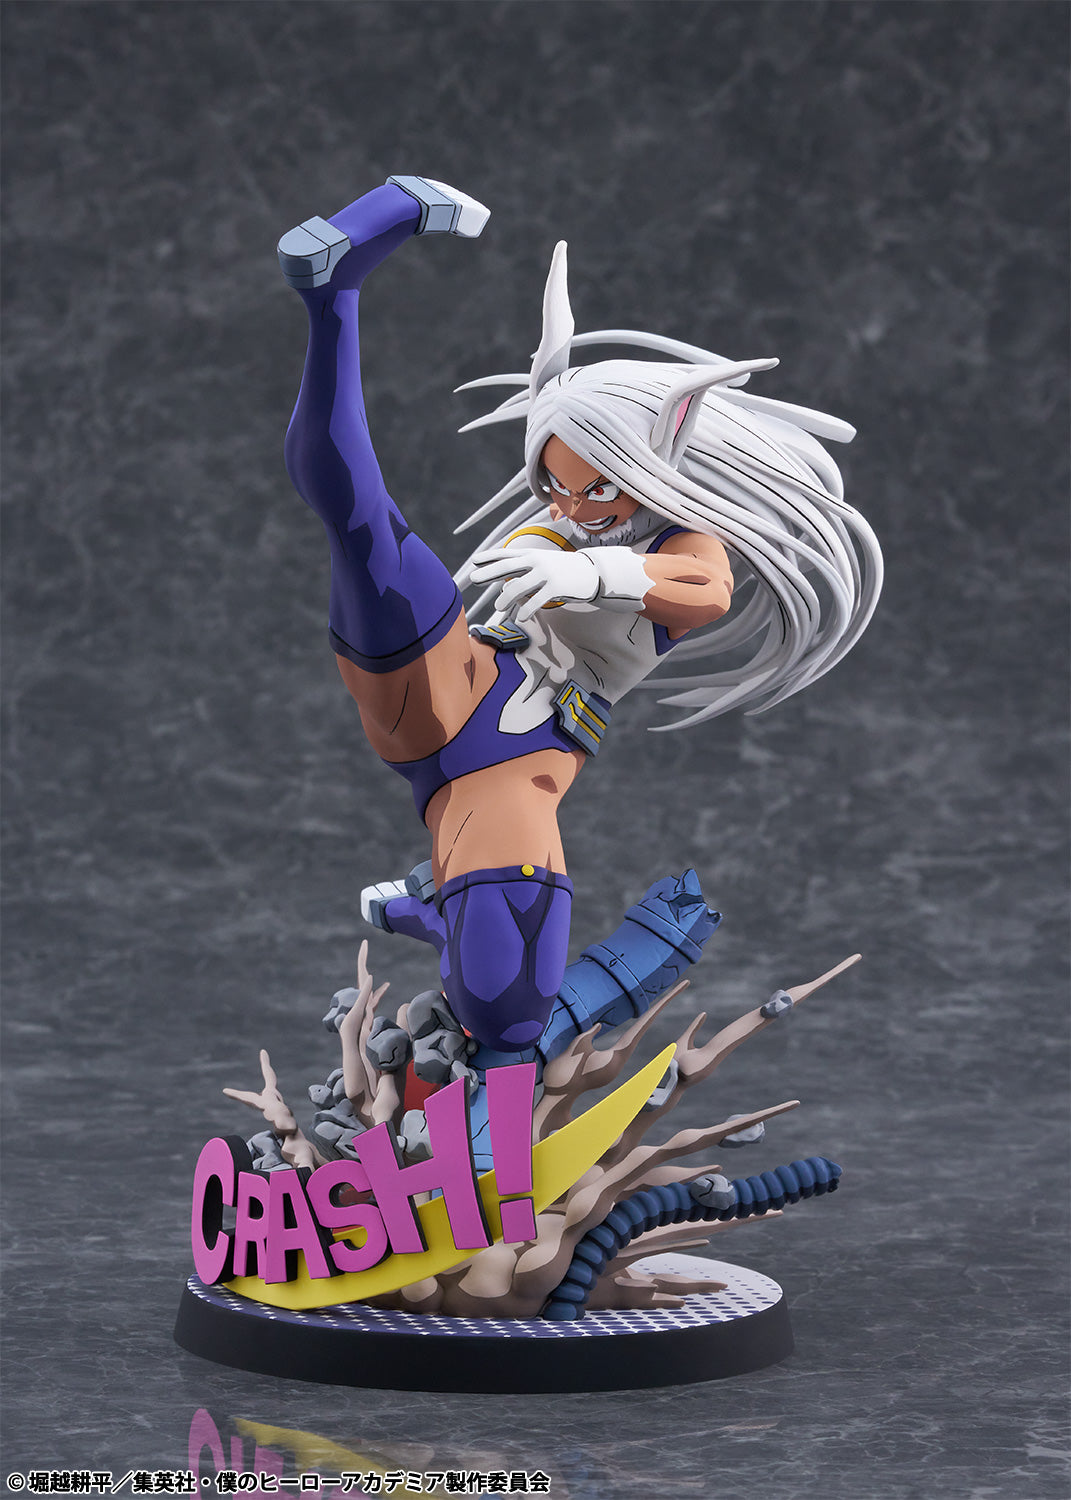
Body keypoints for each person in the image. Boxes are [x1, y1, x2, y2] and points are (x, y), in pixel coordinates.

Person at [278, 176, 882, 1054]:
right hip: (460, 682)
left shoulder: (682, 542)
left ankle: (435, 908)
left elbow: (703, 591)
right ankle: (333, 294)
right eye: (553, 483)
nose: (571, 505)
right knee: (358, 520)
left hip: (500, 766)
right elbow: (543, 543)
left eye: (595, 488)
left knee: (506, 1015)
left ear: (652, 460)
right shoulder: (559, 521)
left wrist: (596, 569)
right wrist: (563, 541)